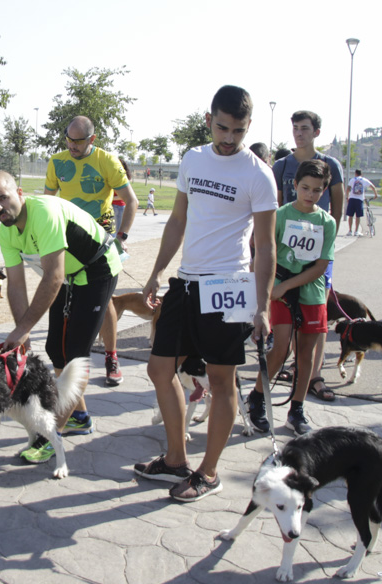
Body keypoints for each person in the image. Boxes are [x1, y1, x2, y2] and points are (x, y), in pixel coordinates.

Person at [134, 85, 277, 502]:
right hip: (186, 283)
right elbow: (178, 219)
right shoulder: (193, 159)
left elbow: (265, 246)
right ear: (209, 118)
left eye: (238, 130)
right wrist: (157, 270)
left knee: (221, 379)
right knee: (160, 370)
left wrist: (262, 305)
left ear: (248, 126)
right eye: (222, 128)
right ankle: (175, 459)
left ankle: (208, 472)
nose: (229, 138)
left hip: (228, 287)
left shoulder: (258, 174)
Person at [0, 171, 121, 464]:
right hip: (70, 276)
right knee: (54, 349)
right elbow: (17, 285)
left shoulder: (43, 212)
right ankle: (79, 417)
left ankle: (50, 435)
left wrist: (23, 328)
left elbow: (53, 276)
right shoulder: (6, 231)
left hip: (98, 269)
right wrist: (22, 333)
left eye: (3, 198)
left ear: (19, 193)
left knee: (76, 355)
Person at [45, 115, 140, 386]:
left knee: (106, 300)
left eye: (79, 141)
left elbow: (131, 201)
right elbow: (48, 203)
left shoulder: (106, 161)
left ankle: (111, 356)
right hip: (70, 239)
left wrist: (121, 237)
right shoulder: (57, 162)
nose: (73, 146)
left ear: (92, 139)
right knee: (65, 297)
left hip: (102, 241)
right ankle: (64, 366)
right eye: (69, 139)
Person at [246, 159, 336, 435]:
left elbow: (321, 265)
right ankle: (257, 399)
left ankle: (297, 409)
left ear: (324, 191)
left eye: (317, 190)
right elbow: (258, 248)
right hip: (278, 288)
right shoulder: (280, 215)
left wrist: (291, 285)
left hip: (311, 292)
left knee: (307, 355)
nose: (310, 194)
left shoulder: (327, 222)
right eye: (305, 188)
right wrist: (271, 286)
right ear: (295, 185)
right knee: (281, 347)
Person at [273, 110, 344, 402]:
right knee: (284, 329)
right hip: (285, 262)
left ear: (316, 132)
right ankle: (278, 375)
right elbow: (277, 206)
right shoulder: (282, 165)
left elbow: (338, 203)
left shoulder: (331, 165)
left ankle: (313, 374)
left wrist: (328, 238)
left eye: (304, 128)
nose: (298, 133)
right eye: (295, 128)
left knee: (317, 315)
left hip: (316, 258)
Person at [346, 168, 379, 236]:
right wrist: (375, 194)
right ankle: (356, 231)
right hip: (359, 199)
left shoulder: (352, 180)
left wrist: (347, 197)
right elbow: (373, 187)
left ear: (355, 173)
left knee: (350, 216)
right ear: (361, 174)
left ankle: (350, 231)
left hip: (352, 199)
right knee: (358, 216)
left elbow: (348, 189)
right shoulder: (364, 180)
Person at [111, 157, 132, 231]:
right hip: (110, 206)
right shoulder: (111, 177)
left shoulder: (124, 178)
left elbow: (124, 196)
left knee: (118, 230)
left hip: (119, 206)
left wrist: (110, 199)